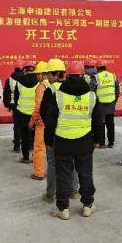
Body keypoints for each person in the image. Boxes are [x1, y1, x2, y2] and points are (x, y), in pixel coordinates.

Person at [45, 61, 102, 220]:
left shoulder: (58, 95)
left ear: (67, 76)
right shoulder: (91, 96)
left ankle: (63, 209)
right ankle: (88, 206)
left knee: (63, 176)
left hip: (63, 142)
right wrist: (98, 139)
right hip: (85, 142)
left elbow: (51, 121)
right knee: (85, 174)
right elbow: (98, 120)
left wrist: (48, 141)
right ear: (83, 75)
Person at [40, 58, 80, 202]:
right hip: (73, 133)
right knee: (73, 162)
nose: (46, 77)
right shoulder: (73, 88)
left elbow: (44, 113)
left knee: (52, 163)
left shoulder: (50, 90)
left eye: (48, 74)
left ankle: (51, 194)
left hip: (56, 134)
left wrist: (49, 134)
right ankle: (73, 191)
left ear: (55, 74)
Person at [13, 61, 37, 163]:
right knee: (36, 138)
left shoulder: (19, 83)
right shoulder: (39, 82)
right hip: (35, 114)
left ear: (24, 70)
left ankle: (26, 158)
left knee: (24, 137)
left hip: (22, 114)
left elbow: (16, 98)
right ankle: (35, 158)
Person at [29, 61, 49, 180]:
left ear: (44, 74)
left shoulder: (41, 87)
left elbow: (38, 107)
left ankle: (39, 173)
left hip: (42, 123)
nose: (36, 76)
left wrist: (32, 122)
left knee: (39, 148)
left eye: (38, 74)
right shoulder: (56, 85)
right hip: (55, 122)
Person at [95, 58, 119, 148]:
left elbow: (92, 91)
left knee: (100, 124)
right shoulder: (113, 76)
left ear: (97, 68)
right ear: (105, 66)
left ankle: (101, 143)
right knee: (110, 124)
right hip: (110, 104)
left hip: (100, 105)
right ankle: (111, 142)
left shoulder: (96, 77)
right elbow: (117, 90)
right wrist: (114, 101)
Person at [3, 59, 25, 152]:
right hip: (25, 104)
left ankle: (17, 145)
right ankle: (28, 144)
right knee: (26, 125)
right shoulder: (26, 78)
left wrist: (7, 105)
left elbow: (6, 93)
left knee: (17, 125)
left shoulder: (10, 79)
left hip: (14, 104)